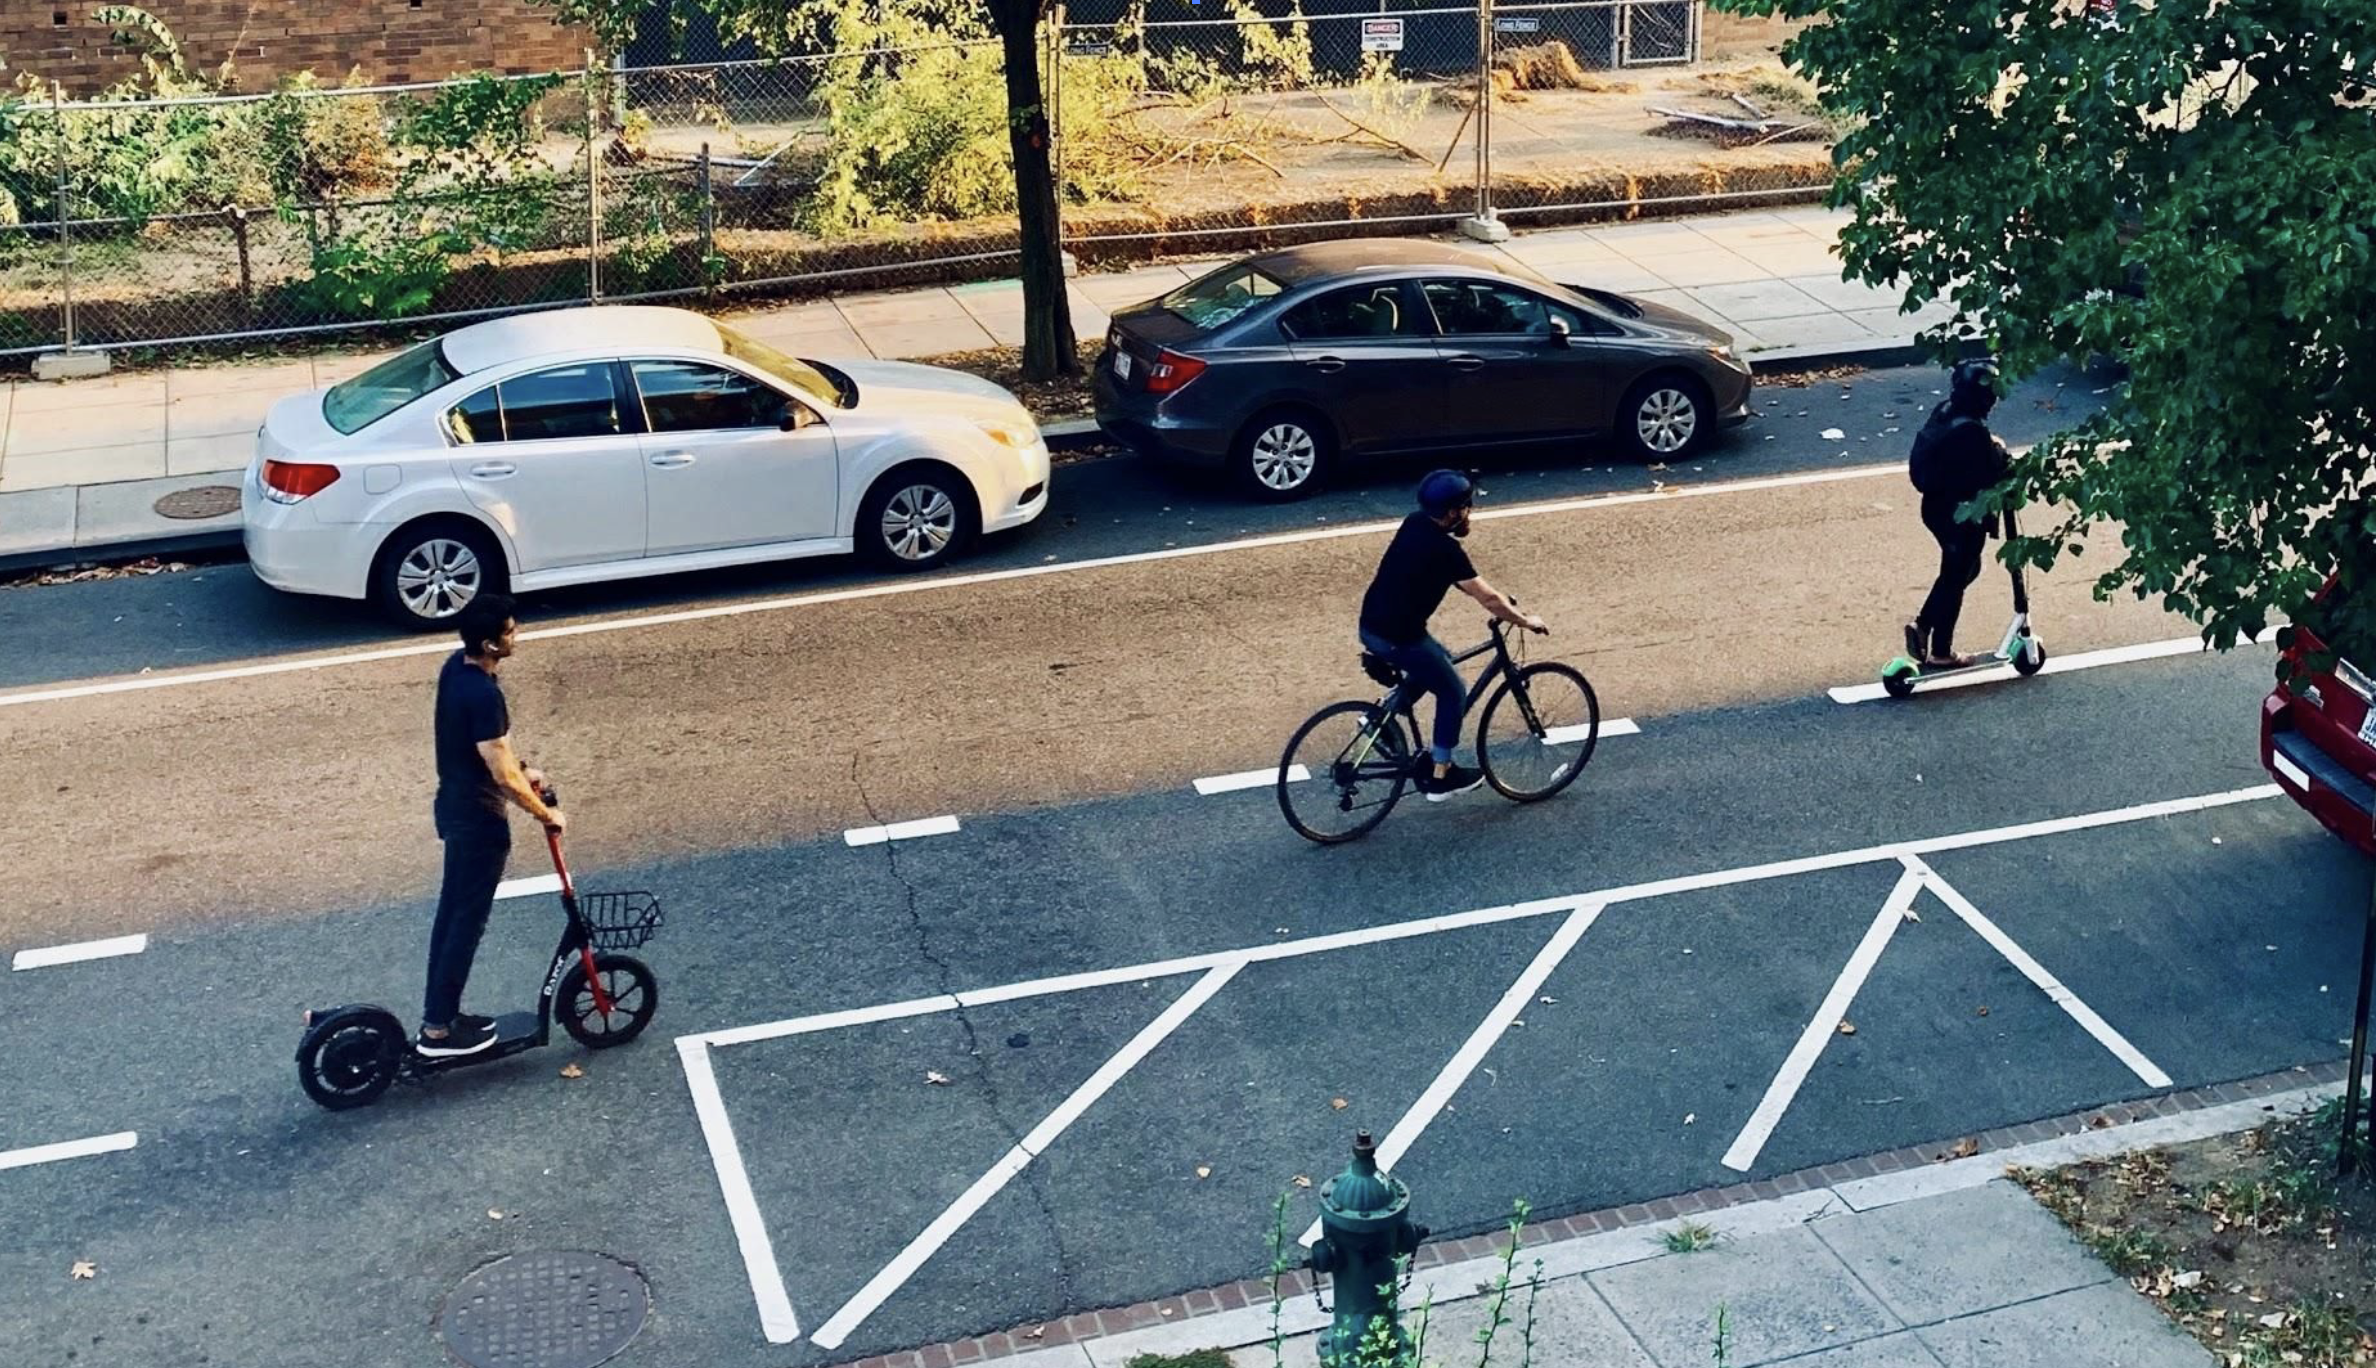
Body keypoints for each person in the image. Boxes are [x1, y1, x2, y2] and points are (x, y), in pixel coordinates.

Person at [419, 594, 563, 1057]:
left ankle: (441, 1017)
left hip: (454, 806)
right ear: (490, 644)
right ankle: (438, 1031)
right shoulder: (484, 695)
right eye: (510, 631)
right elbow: (502, 776)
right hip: (479, 823)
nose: (516, 635)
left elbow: (489, 753)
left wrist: (523, 769)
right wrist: (546, 814)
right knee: (465, 924)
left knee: (452, 918)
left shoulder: (456, 669)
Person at [1359, 470, 1549, 800]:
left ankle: (1380, 719)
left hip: (1371, 626)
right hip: (1399, 638)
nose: (1470, 511)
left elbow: (1445, 577)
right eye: (1467, 505)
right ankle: (1441, 775)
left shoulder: (1414, 523)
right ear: (1452, 512)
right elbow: (1487, 597)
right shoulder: (1446, 551)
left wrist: (1496, 600)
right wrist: (1523, 621)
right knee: (1453, 692)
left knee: (1440, 660)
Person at [1905, 358, 2013, 669]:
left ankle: (1925, 627)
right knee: (1956, 575)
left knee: (1964, 570)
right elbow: (1988, 474)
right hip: (1960, 514)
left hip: (1936, 507)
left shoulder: (1945, 411)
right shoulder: (1971, 433)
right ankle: (1939, 648)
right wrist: (2001, 455)